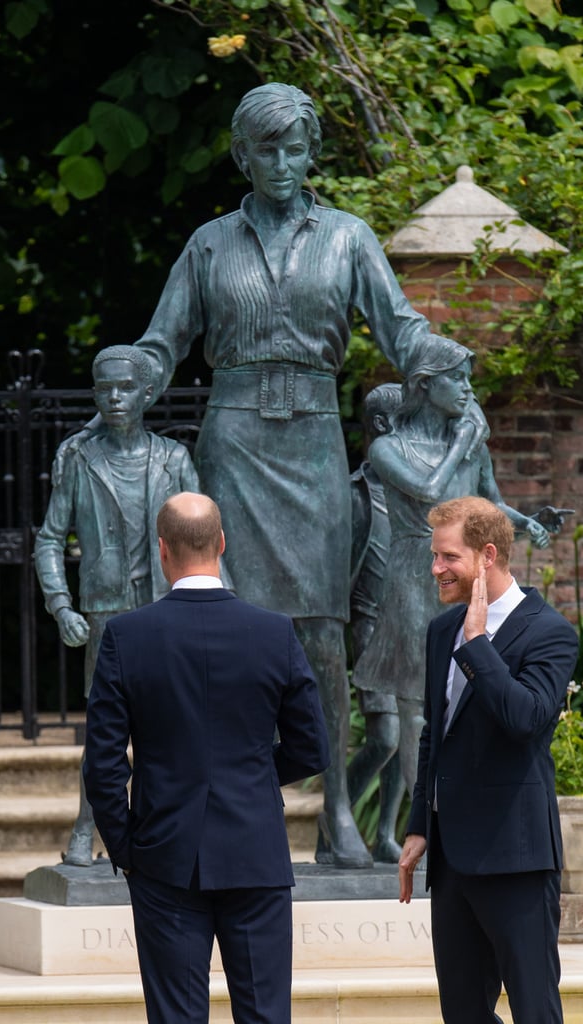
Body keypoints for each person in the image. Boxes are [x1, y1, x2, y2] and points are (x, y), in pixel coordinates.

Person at [73, 82, 486, 869]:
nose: (284, 162)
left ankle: (332, 807)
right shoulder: (208, 244)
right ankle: (234, 802)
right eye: (267, 148)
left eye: (297, 147)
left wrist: (448, 370)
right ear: (241, 154)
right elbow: (162, 344)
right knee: (225, 631)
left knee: (324, 634)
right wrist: (124, 396)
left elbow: (399, 327)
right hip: (233, 441)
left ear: (312, 155)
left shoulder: (347, 237)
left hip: (314, 445)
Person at [83, 492, 330, 1024]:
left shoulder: (126, 637)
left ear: (162, 550)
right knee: (265, 1015)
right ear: (222, 544)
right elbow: (312, 747)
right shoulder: (274, 632)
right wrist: (256, 779)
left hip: (162, 853)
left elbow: (103, 764)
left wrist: (127, 848)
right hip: (254, 850)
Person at [398, 496, 578, 1024]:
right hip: (452, 862)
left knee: (535, 1009)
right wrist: (418, 826)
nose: (436, 568)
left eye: (448, 557)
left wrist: (478, 644)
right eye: (435, 555)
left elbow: (525, 721)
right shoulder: (440, 631)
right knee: (463, 1014)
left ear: (487, 555)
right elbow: (436, 733)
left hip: (516, 857)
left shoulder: (550, 632)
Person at [352, 337, 555, 800]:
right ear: (425, 384)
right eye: (457, 378)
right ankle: (427, 813)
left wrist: (527, 524)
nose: (467, 389)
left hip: (470, 582)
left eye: (468, 378)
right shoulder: (389, 446)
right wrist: (462, 441)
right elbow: (429, 491)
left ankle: (464, 805)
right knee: (417, 706)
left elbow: (492, 504)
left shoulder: (471, 445)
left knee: (472, 691)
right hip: (414, 575)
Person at [34, 345, 200, 866]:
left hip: (166, 608)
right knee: (106, 733)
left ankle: (159, 833)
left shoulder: (174, 459)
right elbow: (49, 538)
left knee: (171, 726)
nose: (114, 397)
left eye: (125, 387)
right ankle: (87, 828)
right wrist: (61, 605)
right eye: (103, 388)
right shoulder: (78, 458)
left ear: (147, 393)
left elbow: (205, 536)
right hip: (107, 612)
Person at [317, 382, 405, 864]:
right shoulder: (355, 496)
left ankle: (387, 832)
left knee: (407, 739)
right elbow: (338, 570)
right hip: (372, 633)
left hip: (411, 629)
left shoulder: (416, 495)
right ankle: (336, 812)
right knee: (386, 739)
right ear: (383, 426)